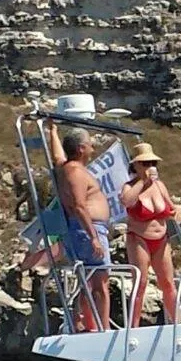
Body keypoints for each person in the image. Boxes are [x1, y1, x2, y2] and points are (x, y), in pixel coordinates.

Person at [45, 120, 111, 331]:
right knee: (100, 281)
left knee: (89, 278)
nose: (93, 148)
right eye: (90, 144)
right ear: (81, 148)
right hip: (86, 228)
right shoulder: (75, 172)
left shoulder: (66, 167)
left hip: (83, 228)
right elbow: (79, 205)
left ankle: (86, 322)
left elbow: (57, 156)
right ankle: (102, 328)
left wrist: (53, 131)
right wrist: (93, 237)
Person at [119, 142, 180, 326]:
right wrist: (142, 182)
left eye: (152, 163)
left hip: (160, 239)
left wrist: (174, 213)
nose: (149, 167)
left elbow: (172, 207)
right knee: (141, 283)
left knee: (168, 283)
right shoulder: (129, 186)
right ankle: (133, 326)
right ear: (135, 166)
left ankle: (177, 322)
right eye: (145, 164)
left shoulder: (160, 186)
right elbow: (127, 202)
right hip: (139, 238)